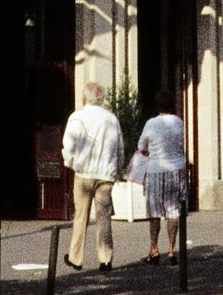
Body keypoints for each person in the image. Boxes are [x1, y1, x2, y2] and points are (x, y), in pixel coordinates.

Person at [61, 81, 123, 273]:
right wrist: (117, 169)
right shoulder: (112, 119)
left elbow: (69, 144)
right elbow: (119, 147)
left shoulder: (77, 117)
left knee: (81, 216)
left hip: (84, 173)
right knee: (104, 216)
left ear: (85, 97)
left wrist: (71, 162)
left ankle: (76, 257)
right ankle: (105, 259)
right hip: (105, 174)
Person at [138, 89, 187, 264]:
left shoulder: (151, 123)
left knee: (154, 212)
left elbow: (141, 146)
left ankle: (154, 249)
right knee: (173, 210)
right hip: (176, 169)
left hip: (156, 170)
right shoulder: (179, 122)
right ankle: (172, 250)